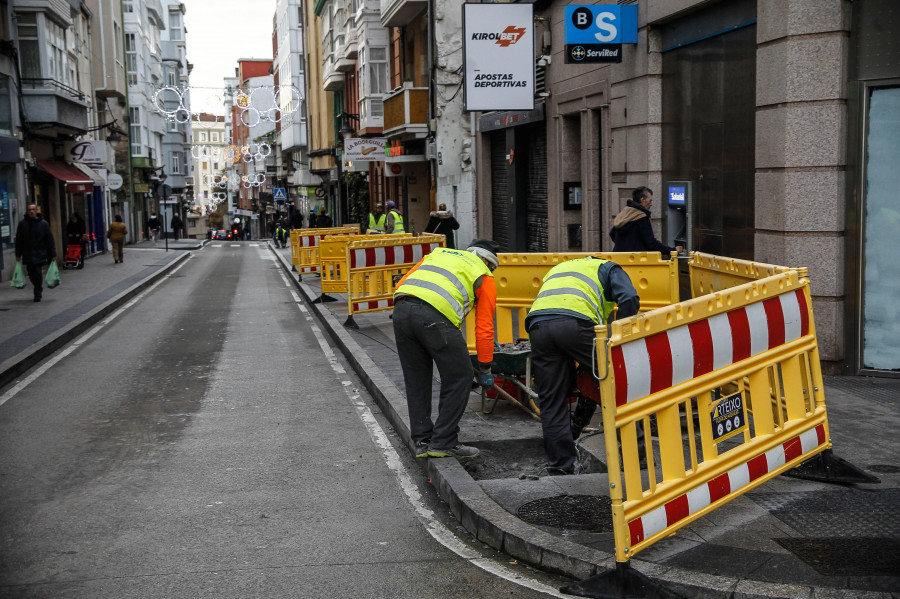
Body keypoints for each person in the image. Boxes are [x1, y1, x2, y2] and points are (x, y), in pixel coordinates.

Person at [525, 256, 640, 475]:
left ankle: (560, 466)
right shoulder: (609, 267)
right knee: (621, 384)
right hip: (575, 324)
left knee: (552, 399)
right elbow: (629, 298)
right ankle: (637, 459)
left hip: (538, 327)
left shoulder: (560, 268)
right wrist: (621, 336)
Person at [393, 238, 501, 460]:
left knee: (416, 378)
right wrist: (486, 367)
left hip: (401, 311)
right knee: (461, 376)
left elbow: (401, 284)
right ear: (488, 262)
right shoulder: (484, 274)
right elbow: (484, 327)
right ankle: (444, 441)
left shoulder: (437, 255)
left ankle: (422, 440)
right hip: (435, 318)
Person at [609, 186, 683, 256]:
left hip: (618, 259)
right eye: (650, 201)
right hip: (635, 261)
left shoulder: (625, 213)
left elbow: (612, 233)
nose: (651, 204)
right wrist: (672, 250)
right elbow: (651, 243)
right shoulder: (641, 218)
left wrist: (625, 245)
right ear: (642, 200)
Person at [14, 203, 57, 302]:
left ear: (36, 211)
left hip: (39, 253)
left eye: (33, 209)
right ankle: (37, 286)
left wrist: (53, 254)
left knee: (37, 273)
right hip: (28, 254)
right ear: (27, 211)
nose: (31, 212)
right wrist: (18, 254)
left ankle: (37, 292)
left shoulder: (43, 224)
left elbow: (49, 240)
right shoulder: (22, 224)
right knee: (31, 274)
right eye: (29, 210)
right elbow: (19, 240)